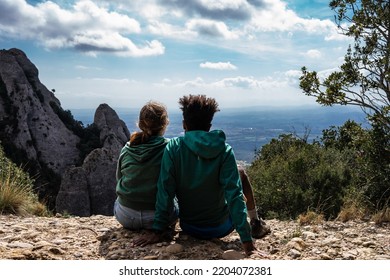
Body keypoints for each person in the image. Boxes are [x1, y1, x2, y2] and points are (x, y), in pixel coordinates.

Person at [134, 94, 268, 256]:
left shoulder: (173, 148)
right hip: (221, 227)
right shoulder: (225, 151)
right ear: (209, 125)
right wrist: (247, 242)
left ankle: (253, 224)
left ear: (184, 124)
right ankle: (255, 224)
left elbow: (165, 192)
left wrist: (157, 230)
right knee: (240, 175)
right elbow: (234, 197)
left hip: (189, 226)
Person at [114, 101, 177, 230]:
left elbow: (119, 178)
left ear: (140, 123)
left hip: (126, 217)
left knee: (117, 202)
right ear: (165, 123)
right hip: (158, 217)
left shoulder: (127, 148)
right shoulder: (170, 148)